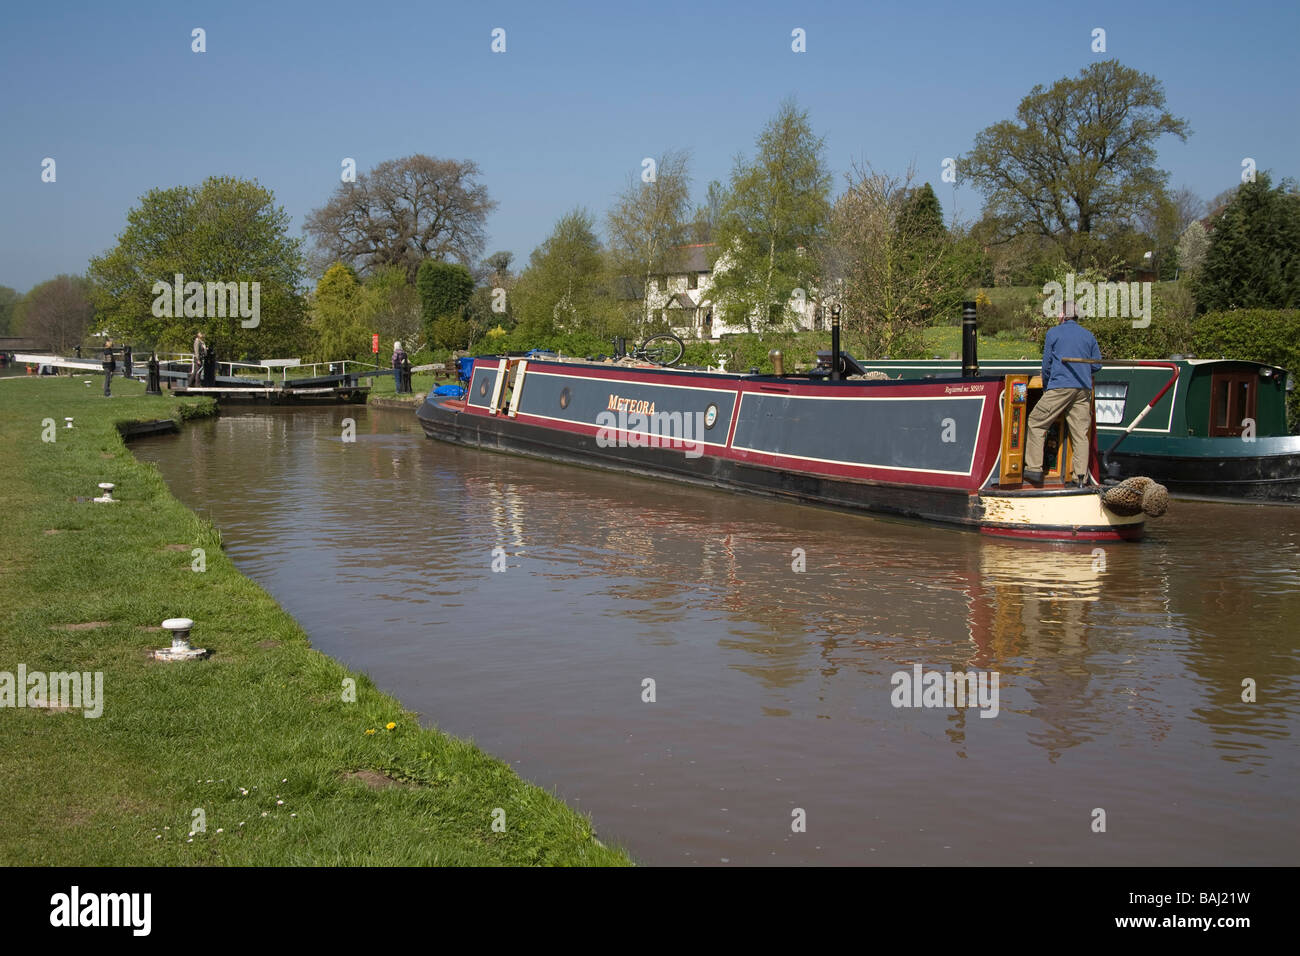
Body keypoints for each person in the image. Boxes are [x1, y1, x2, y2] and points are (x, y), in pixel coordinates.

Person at [1023, 302, 1102, 487]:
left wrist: (1046, 387)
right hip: (1083, 390)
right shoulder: (1088, 335)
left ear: (1061, 315)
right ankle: (1079, 477)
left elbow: (1047, 365)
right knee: (1080, 434)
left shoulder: (1054, 333)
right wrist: (1081, 369)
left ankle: (1034, 470)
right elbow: (1097, 365)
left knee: (1036, 421)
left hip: (1060, 387)